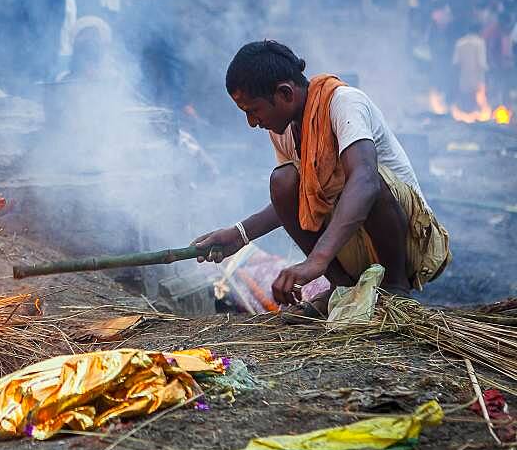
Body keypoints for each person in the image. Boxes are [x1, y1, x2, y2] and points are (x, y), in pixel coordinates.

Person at [192, 41, 451, 316]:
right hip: (350, 241)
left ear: (285, 93)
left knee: (365, 180)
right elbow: (294, 200)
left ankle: (395, 288)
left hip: (410, 243)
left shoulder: (344, 103)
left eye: (253, 110)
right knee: (283, 181)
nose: (252, 122)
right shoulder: (282, 130)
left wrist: (316, 261)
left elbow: (365, 181)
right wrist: (240, 234)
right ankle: (342, 287)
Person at [453, 23, 488, 110]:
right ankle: (475, 116)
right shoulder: (480, 43)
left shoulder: (460, 42)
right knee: (477, 98)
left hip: (464, 76)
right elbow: (482, 63)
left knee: (466, 98)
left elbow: (456, 62)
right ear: (479, 31)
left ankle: (466, 114)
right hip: (477, 76)